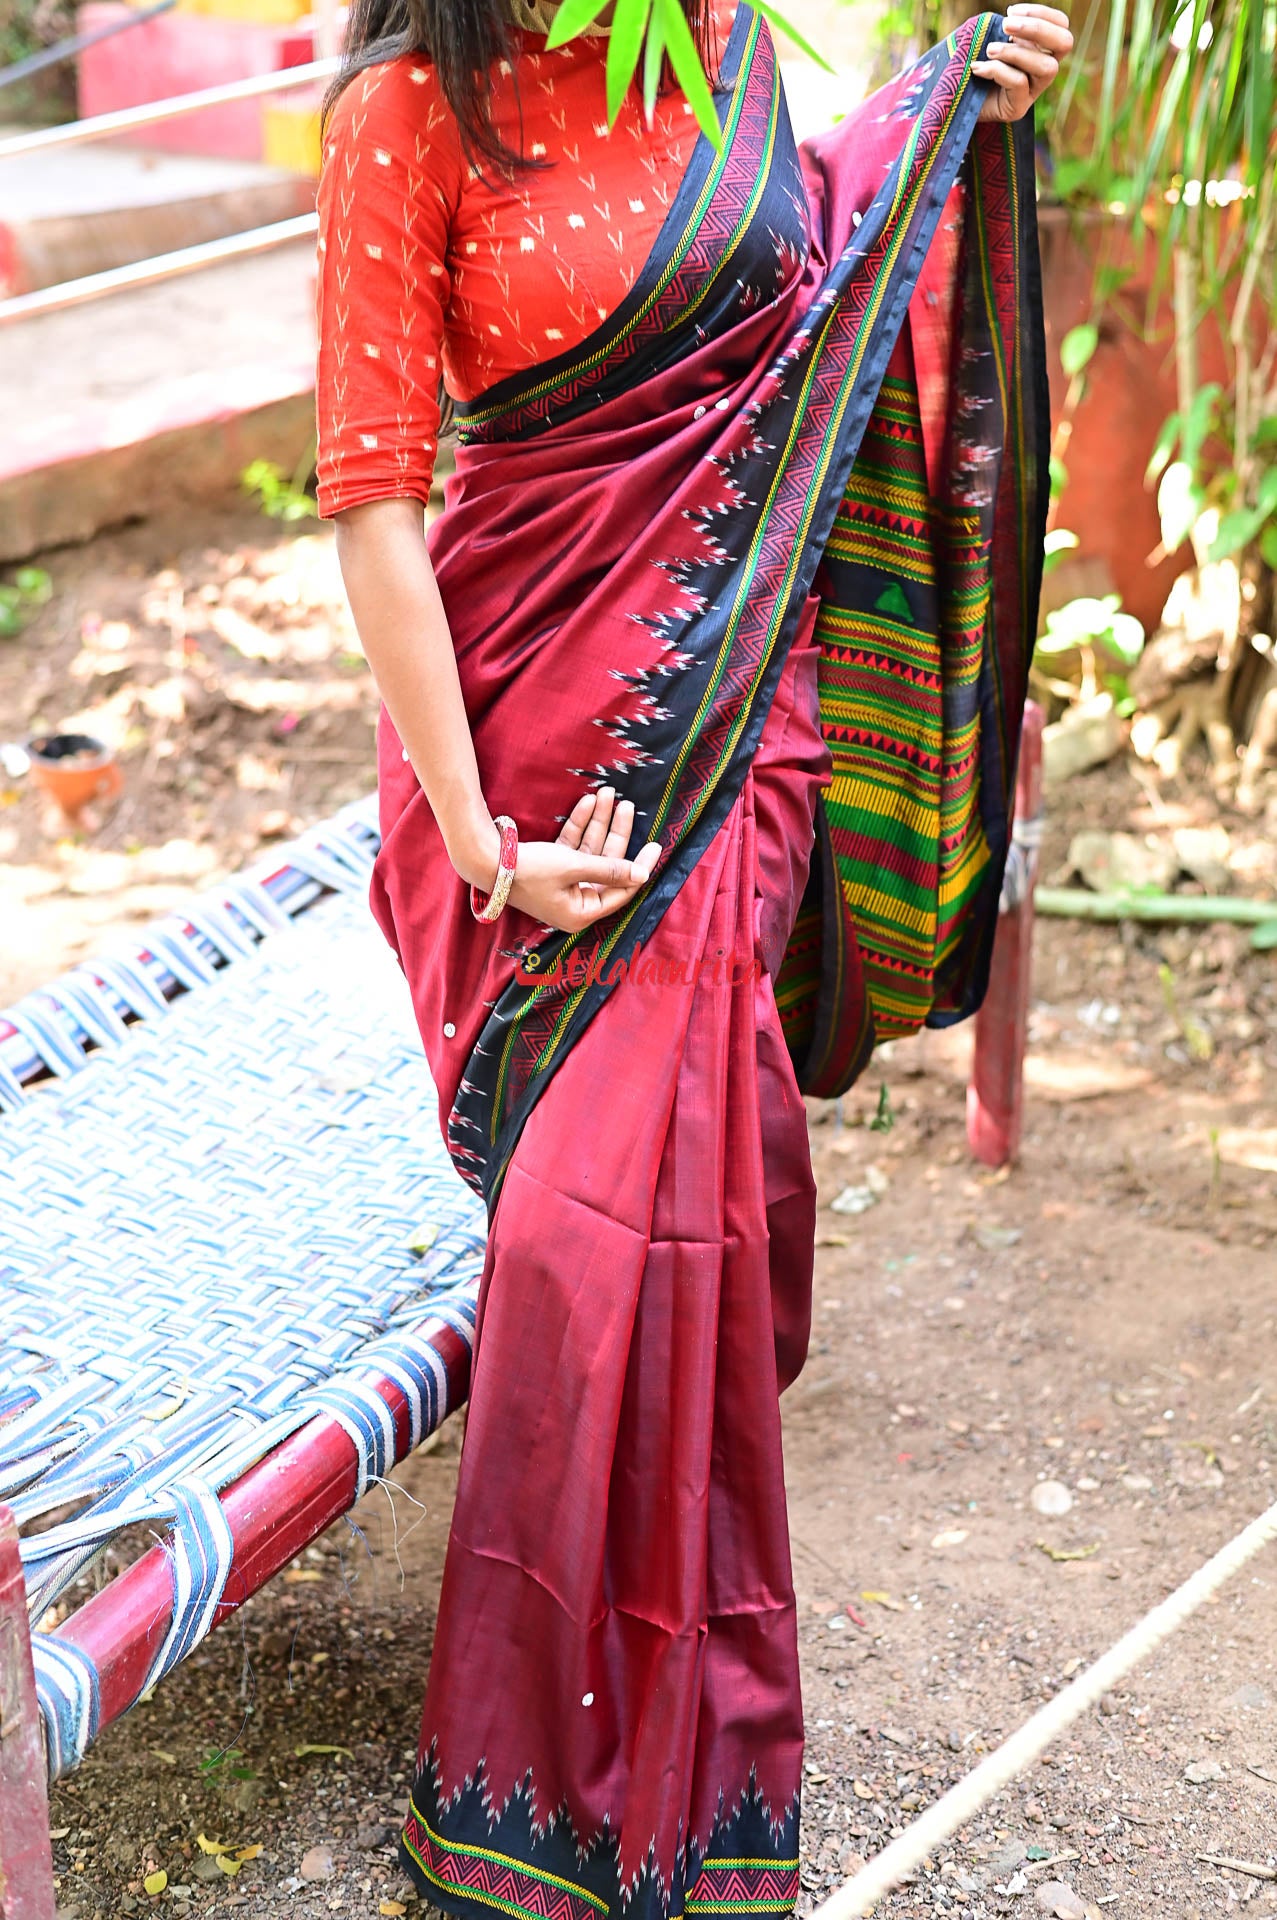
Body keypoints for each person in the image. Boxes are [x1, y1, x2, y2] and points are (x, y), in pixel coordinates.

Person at [313, 2, 1071, 1915]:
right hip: (522, 749)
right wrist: (482, 847)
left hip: (742, 719)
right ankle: (549, 1791)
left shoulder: (713, 42)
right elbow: (378, 512)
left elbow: (812, 275)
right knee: (592, 1243)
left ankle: (676, 1769)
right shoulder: (404, 120)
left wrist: (944, 118)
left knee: (665, 1233)